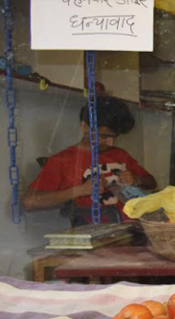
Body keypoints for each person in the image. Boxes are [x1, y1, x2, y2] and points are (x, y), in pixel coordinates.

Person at [23, 96, 157, 226]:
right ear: (84, 127)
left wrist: (136, 180)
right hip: (95, 234)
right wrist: (79, 190)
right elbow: (30, 202)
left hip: (131, 229)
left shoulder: (120, 154)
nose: (110, 143)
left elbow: (151, 182)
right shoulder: (62, 160)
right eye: (104, 136)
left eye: (114, 137)